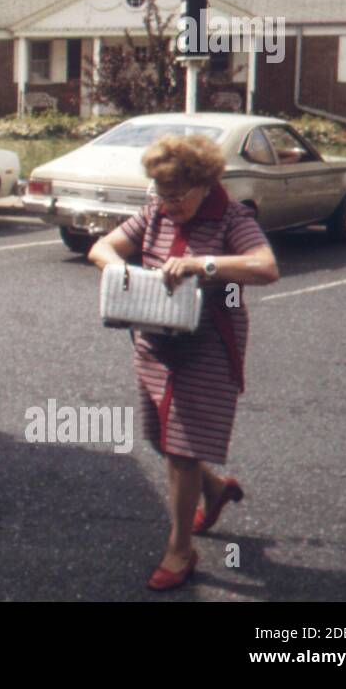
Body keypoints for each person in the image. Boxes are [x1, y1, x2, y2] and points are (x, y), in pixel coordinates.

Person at [89, 133, 279, 591]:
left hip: (208, 342)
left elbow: (266, 267)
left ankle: (180, 550)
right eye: (161, 193)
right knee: (162, 439)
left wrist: (202, 265)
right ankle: (214, 489)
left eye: (177, 195)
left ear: (203, 185)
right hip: (155, 336)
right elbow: (101, 248)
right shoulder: (155, 212)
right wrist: (126, 272)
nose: (168, 204)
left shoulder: (233, 217)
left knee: (181, 447)